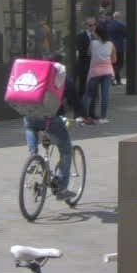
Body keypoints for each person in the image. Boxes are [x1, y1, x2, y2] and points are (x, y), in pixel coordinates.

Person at [21, 53, 75, 204]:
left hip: (31, 115)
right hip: (51, 120)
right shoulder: (63, 78)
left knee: (30, 126)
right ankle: (62, 189)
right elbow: (75, 101)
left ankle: (33, 156)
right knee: (66, 151)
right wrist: (85, 116)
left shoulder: (38, 75)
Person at [86, 22, 117, 122]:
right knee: (105, 95)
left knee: (89, 94)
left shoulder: (93, 43)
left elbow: (89, 54)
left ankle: (85, 115)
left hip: (95, 72)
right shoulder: (111, 44)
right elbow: (114, 60)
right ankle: (103, 117)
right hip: (107, 71)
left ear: (97, 33)